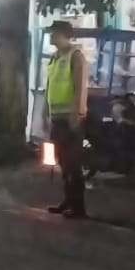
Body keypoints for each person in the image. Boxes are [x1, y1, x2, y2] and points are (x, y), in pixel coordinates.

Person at [45, 21, 90, 218]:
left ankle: (78, 206)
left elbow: (80, 87)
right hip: (57, 117)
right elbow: (50, 86)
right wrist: (46, 112)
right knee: (62, 161)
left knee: (73, 163)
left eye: (53, 33)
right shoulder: (54, 57)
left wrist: (76, 114)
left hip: (70, 118)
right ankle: (68, 200)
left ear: (63, 34)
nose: (50, 36)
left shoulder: (75, 56)